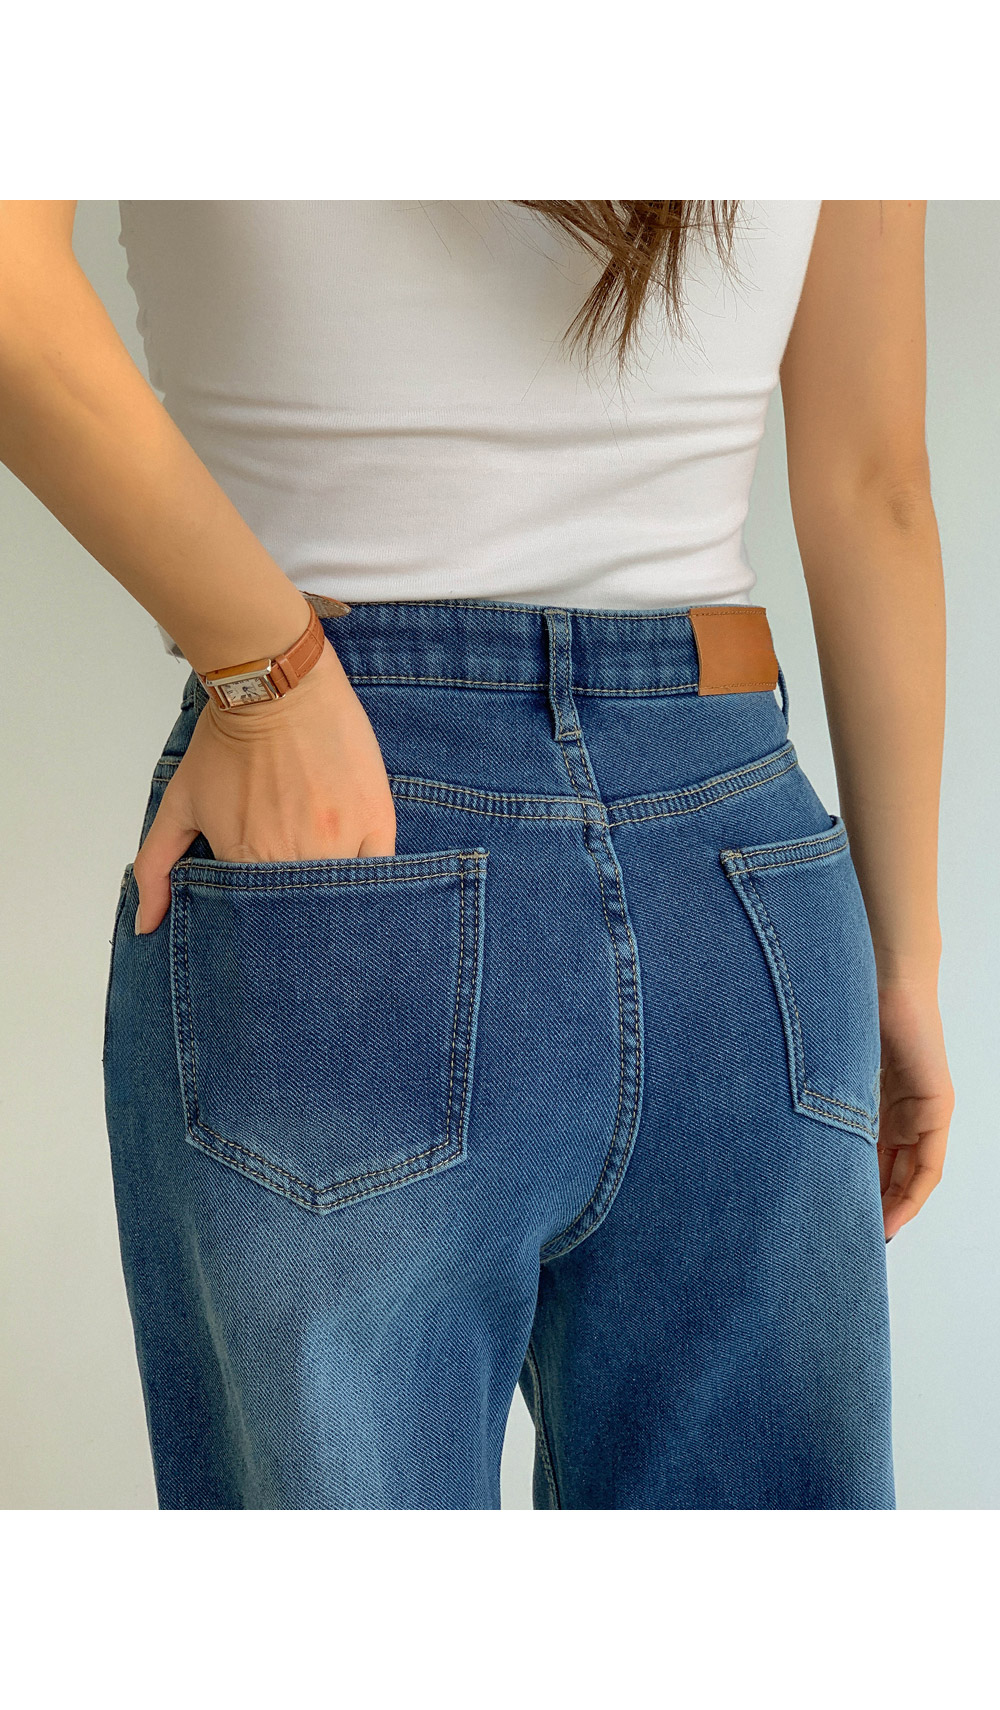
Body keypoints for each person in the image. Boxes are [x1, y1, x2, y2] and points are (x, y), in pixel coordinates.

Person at [0, 200, 954, 1510]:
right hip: (741, 882)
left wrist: (265, 672)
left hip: (335, 847)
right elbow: (875, 484)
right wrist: (904, 960)